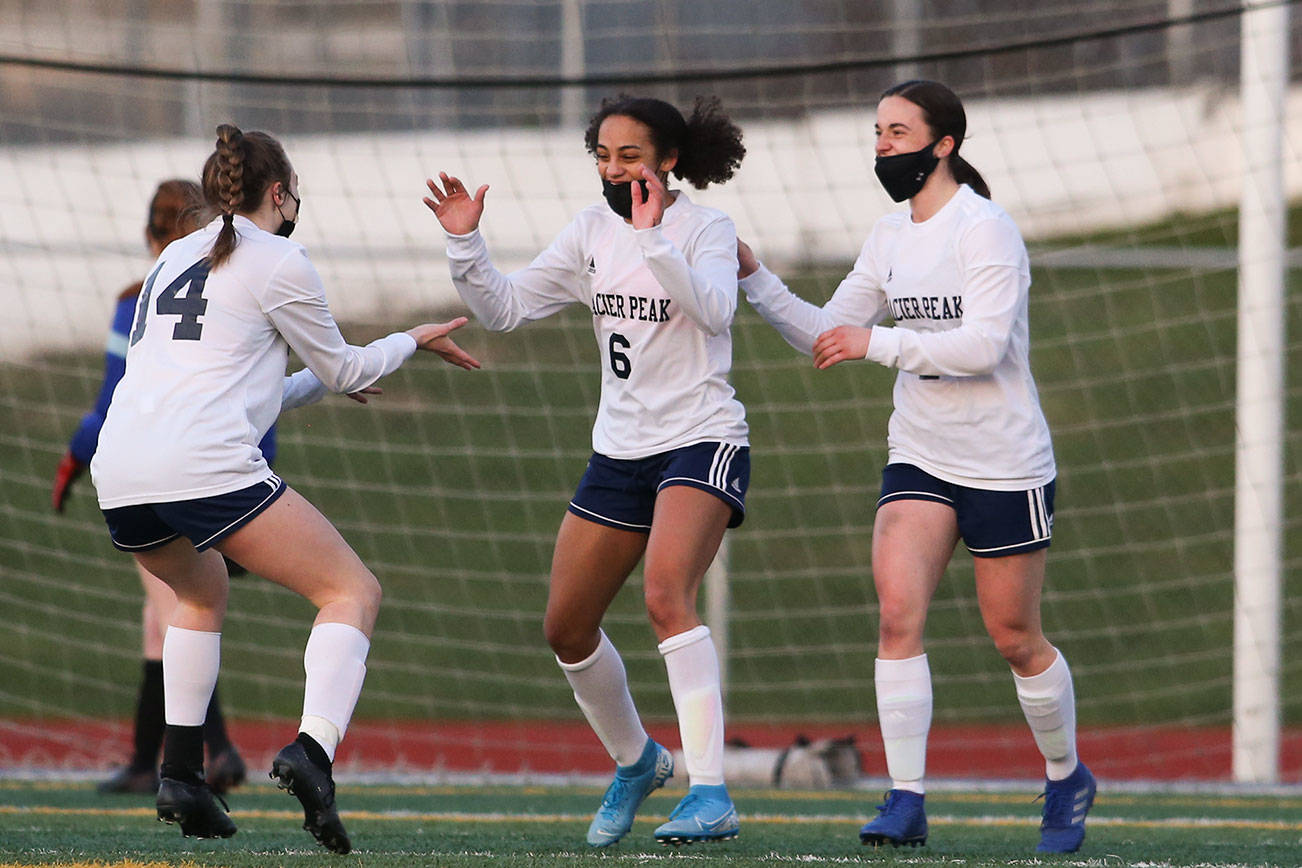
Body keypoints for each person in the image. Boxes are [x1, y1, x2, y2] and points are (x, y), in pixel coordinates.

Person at [89, 124, 480, 852]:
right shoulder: (281, 258)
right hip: (200, 465)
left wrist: (327, 381)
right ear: (279, 192)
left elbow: (232, 384)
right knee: (351, 592)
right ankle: (313, 752)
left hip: (121, 472)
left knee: (201, 593)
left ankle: (181, 774)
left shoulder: (175, 254)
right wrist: (412, 341)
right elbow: (345, 371)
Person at [736, 80, 1095, 854]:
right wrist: (755, 277)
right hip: (921, 457)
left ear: (944, 145)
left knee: (1015, 638)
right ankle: (906, 799)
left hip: (1003, 462)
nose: (881, 145)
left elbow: (983, 346)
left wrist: (883, 343)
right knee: (898, 616)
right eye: (876, 132)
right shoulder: (888, 234)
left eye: (897, 131)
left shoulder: (985, 229)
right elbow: (831, 332)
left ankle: (1066, 775)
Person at [424, 94, 748, 847]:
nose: (612, 169)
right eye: (602, 156)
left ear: (667, 161)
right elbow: (504, 310)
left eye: (628, 157)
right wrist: (466, 246)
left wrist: (654, 239)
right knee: (566, 627)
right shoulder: (589, 232)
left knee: (668, 595)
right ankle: (637, 763)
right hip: (620, 450)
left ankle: (711, 792)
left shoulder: (706, 228)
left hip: (702, 438)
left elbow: (716, 312)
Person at [53, 179, 254, 797]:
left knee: (177, 614)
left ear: (150, 236)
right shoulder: (237, 289)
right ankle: (145, 758)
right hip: (238, 474)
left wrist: (74, 456)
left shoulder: (139, 301)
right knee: (158, 619)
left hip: (160, 475)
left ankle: (213, 752)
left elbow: (115, 397)